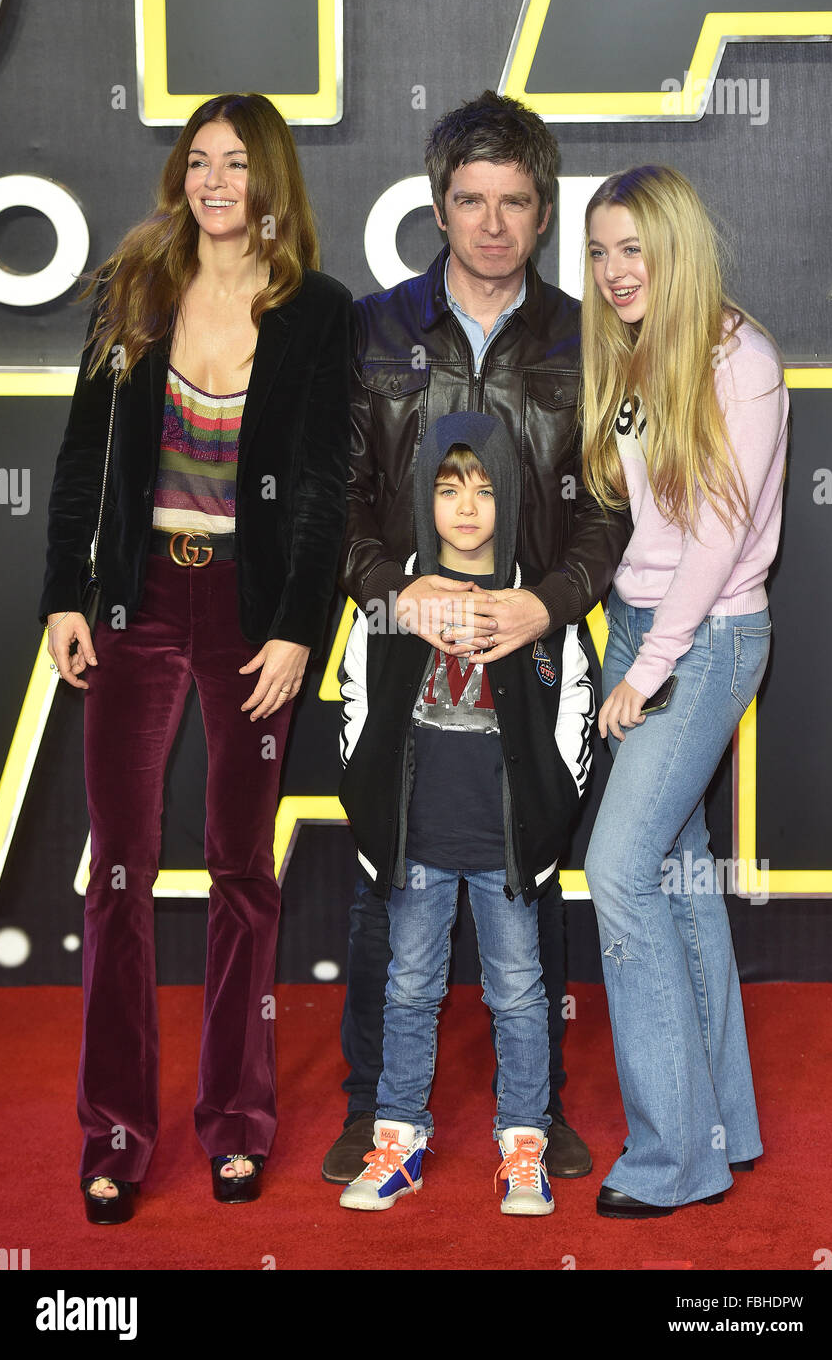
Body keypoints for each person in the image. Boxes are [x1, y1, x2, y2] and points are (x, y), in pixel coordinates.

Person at [40, 93, 352, 1222]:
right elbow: (81, 455)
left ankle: (236, 1123)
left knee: (240, 870)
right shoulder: (134, 287)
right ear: (182, 175)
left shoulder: (319, 312)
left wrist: (298, 627)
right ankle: (116, 1134)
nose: (216, 181)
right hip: (135, 601)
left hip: (248, 611)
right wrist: (64, 596)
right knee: (118, 871)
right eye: (200, 161)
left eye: (237, 163)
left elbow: (321, 489)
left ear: (270, 180)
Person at [324, 89, 631, 1185]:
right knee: (387, 880)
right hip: (401, 644)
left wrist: (550, 602)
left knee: (526, 871)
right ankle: (374, 1110)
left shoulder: (586, 339)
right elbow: (333, 498)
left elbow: (611, 508)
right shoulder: (373, 329)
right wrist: (392, 592)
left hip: (533, 644)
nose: (492, 224)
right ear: (437, 204)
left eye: (514, 202)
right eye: (470, 200)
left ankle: (534, 1114)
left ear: (544, 210)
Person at [580, 164, 788, 1217]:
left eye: (635, 249)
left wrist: (648, 667)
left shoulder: (739, 358)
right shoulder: (634, 346)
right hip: (639, 626)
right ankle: (724, 1128)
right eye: (600, 251)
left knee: (618, 869)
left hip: (702, 641)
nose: (615, 271)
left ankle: (672, 1161)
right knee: (675, 872)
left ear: (679, 249)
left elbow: (717, 537)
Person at [337, 411, 594, 1213]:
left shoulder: (536, 604)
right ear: (424, 497)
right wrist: (369, 803)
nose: (467, 507)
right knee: (409, 989)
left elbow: (574, 706)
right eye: (449, 490)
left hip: (505, 849)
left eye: (484, 490)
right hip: (416, 841)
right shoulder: (394, 600)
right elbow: (354, 698)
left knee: (517, 994)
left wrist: (550, 809)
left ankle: (524, 1146)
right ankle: (397, 1142)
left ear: (510, 496)